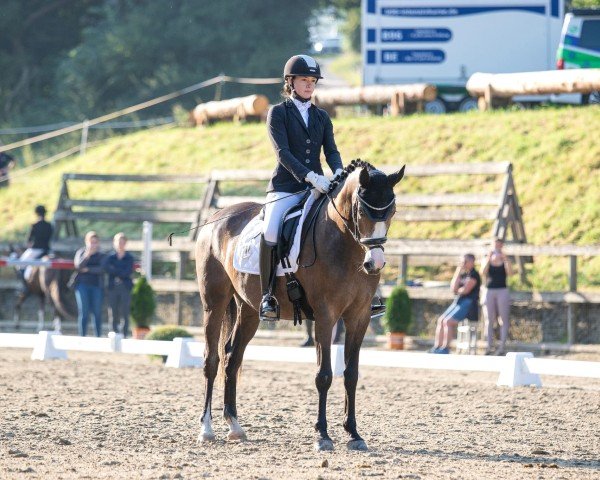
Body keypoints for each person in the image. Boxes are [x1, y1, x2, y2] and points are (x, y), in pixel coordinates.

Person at [260, 54, 343, 321]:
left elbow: (331, 150)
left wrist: (338, 171)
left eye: (312, 81)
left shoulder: (321, 116)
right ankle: (267, 296)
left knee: (345, 223)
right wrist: (309, 176)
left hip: (317, 187)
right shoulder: (278, 113)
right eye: (304, 80)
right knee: (271, 230)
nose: (309, 85)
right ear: (290, 81)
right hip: (286, 187)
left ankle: (361, 294)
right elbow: (282, 153)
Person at [430, 254, 481, 354]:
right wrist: (458, 270)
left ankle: (445, 348)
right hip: (459, 301)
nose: (463, 264)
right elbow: (453, 289)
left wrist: (459, 290)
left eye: (465, 262)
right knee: (441, 320)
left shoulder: (474, 274)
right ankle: (437, 347)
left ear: (471, 262)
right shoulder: (463, 274)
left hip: (469, 304)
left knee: (448, 321)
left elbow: (466, 291)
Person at [482, 237, 513, 355]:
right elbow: (483, 273)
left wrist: (505, 260)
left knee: (503, 320)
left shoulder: (505, 259)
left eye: (499, 245)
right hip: (489, 290)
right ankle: (489, 346)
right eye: (495, 245)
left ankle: (502, 347)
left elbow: (510, 273)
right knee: (489, 320)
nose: (497, 247)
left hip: (502, 290)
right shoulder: (487, 258)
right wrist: (489, 259)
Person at [73, 231, 105, 337]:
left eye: (95, 242)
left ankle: (98, 336)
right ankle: (82, 336)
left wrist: (88, 269)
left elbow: (102, 269)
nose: (93, 245)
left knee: (97, 312)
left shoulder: (101, 255)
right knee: (84, 312)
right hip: (82, 286)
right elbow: (78, 266)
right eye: (91, 242)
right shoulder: (81, 252)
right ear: (86, 242)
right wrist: (87, 255)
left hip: (96, 286)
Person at [103, 233, 134, 338]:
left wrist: (115, 271)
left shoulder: (129, 257)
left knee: (125, 311)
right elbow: (106, 268)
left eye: (122, 242)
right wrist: (120, 272)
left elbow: (128, 271)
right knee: (113, 311)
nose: (120, 244)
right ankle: (114, 333)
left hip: (125, 286)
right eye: (118, 242)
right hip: (113, 287)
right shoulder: (110, 257)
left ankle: (124, 334)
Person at [18, 205, 53, 291]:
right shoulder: (49, 225)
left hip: (35, 249)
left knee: (20, 264)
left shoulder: (34, 225)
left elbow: (29, 241)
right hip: (47, 250)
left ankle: (25, 286)